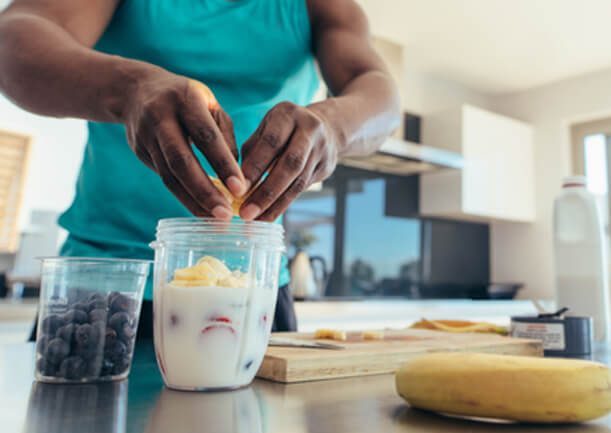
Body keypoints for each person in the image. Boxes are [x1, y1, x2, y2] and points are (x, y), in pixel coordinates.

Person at [0, 0, 400, 337]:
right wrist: (132, 88)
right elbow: (15, 39)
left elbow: (379, 92)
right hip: (105, 281)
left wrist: (335, 125)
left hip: (249, 288)